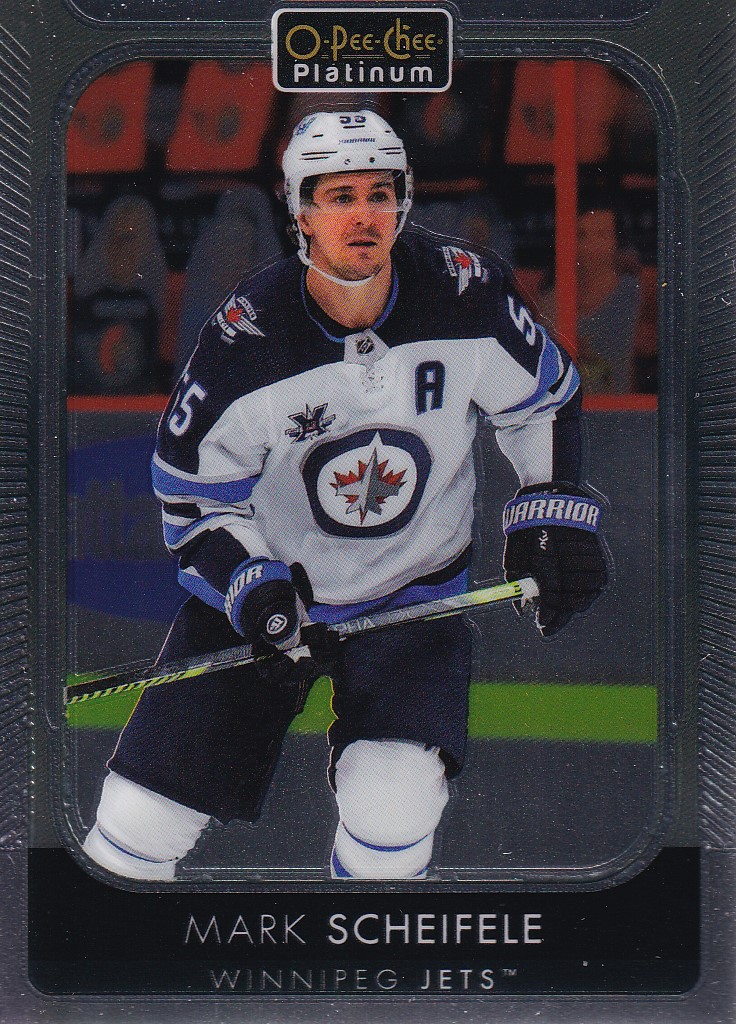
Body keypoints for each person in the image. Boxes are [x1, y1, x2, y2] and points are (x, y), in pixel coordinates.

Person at [83, 111, 607, 882]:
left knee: (394, 801)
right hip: (270, 595)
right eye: (338, 196)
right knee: (138, 820)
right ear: (300, 212)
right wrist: (258, 594)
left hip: (412, 596)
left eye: (378, 194)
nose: (363, 215)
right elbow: (194, 501)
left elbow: (544, 401)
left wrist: (551, 511)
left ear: (403, 201)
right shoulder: (248, 339)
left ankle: (370, 951)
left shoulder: (465, 293)